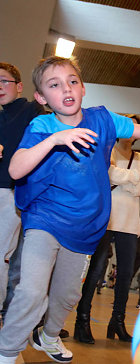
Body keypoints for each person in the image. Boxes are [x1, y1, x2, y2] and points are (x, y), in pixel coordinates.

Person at [0, 56, 140, 364]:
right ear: (41, 98)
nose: (66, 88)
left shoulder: (102, 119)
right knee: (32, 292)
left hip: (85, 224)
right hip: (45, 218)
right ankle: (7, 351)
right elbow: (15, 168)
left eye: (72, 81)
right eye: (54, 84)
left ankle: (48, 337)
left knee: (67, 295)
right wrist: (55, 139)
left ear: (83, 88)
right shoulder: (42, 125)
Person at [75, 113, 140, 344]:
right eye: (129, 126)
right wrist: (132, 178)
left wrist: (125, 182)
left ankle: (117, 322)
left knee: (126, 274)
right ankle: (82, 319)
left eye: (136, 128)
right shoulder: (107, 150)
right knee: (97, 269)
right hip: (106, 217)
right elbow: (106, 174)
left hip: (129, 221)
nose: (131, 132)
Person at [0, 62, 44, 314]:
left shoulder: (33, 110)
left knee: (5, 257)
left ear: (19, 86)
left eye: (4, 81)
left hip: (12, 191)